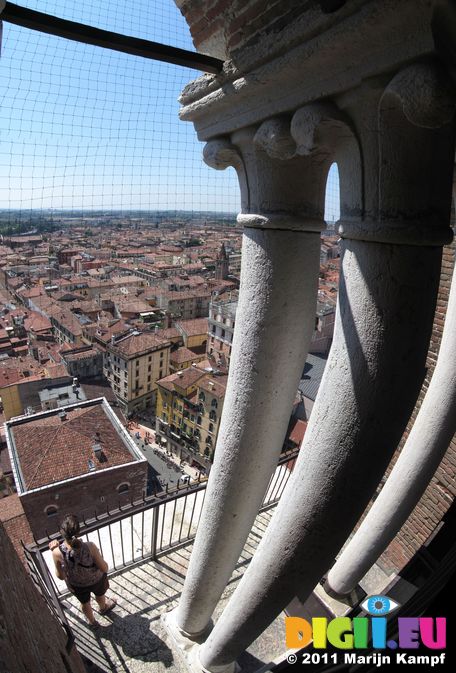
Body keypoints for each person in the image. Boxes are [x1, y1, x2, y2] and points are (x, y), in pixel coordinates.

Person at [49, 514, 116, 627]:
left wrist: (54, 549)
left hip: (77, 585)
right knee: (100, 594)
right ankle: (103, 608)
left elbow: (61, 576)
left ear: (62, 533)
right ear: (78, 532)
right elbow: (104, 568)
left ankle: (92, 622)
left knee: (85, 603)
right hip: (96, 580)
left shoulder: (57, 553)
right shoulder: (90, 547)